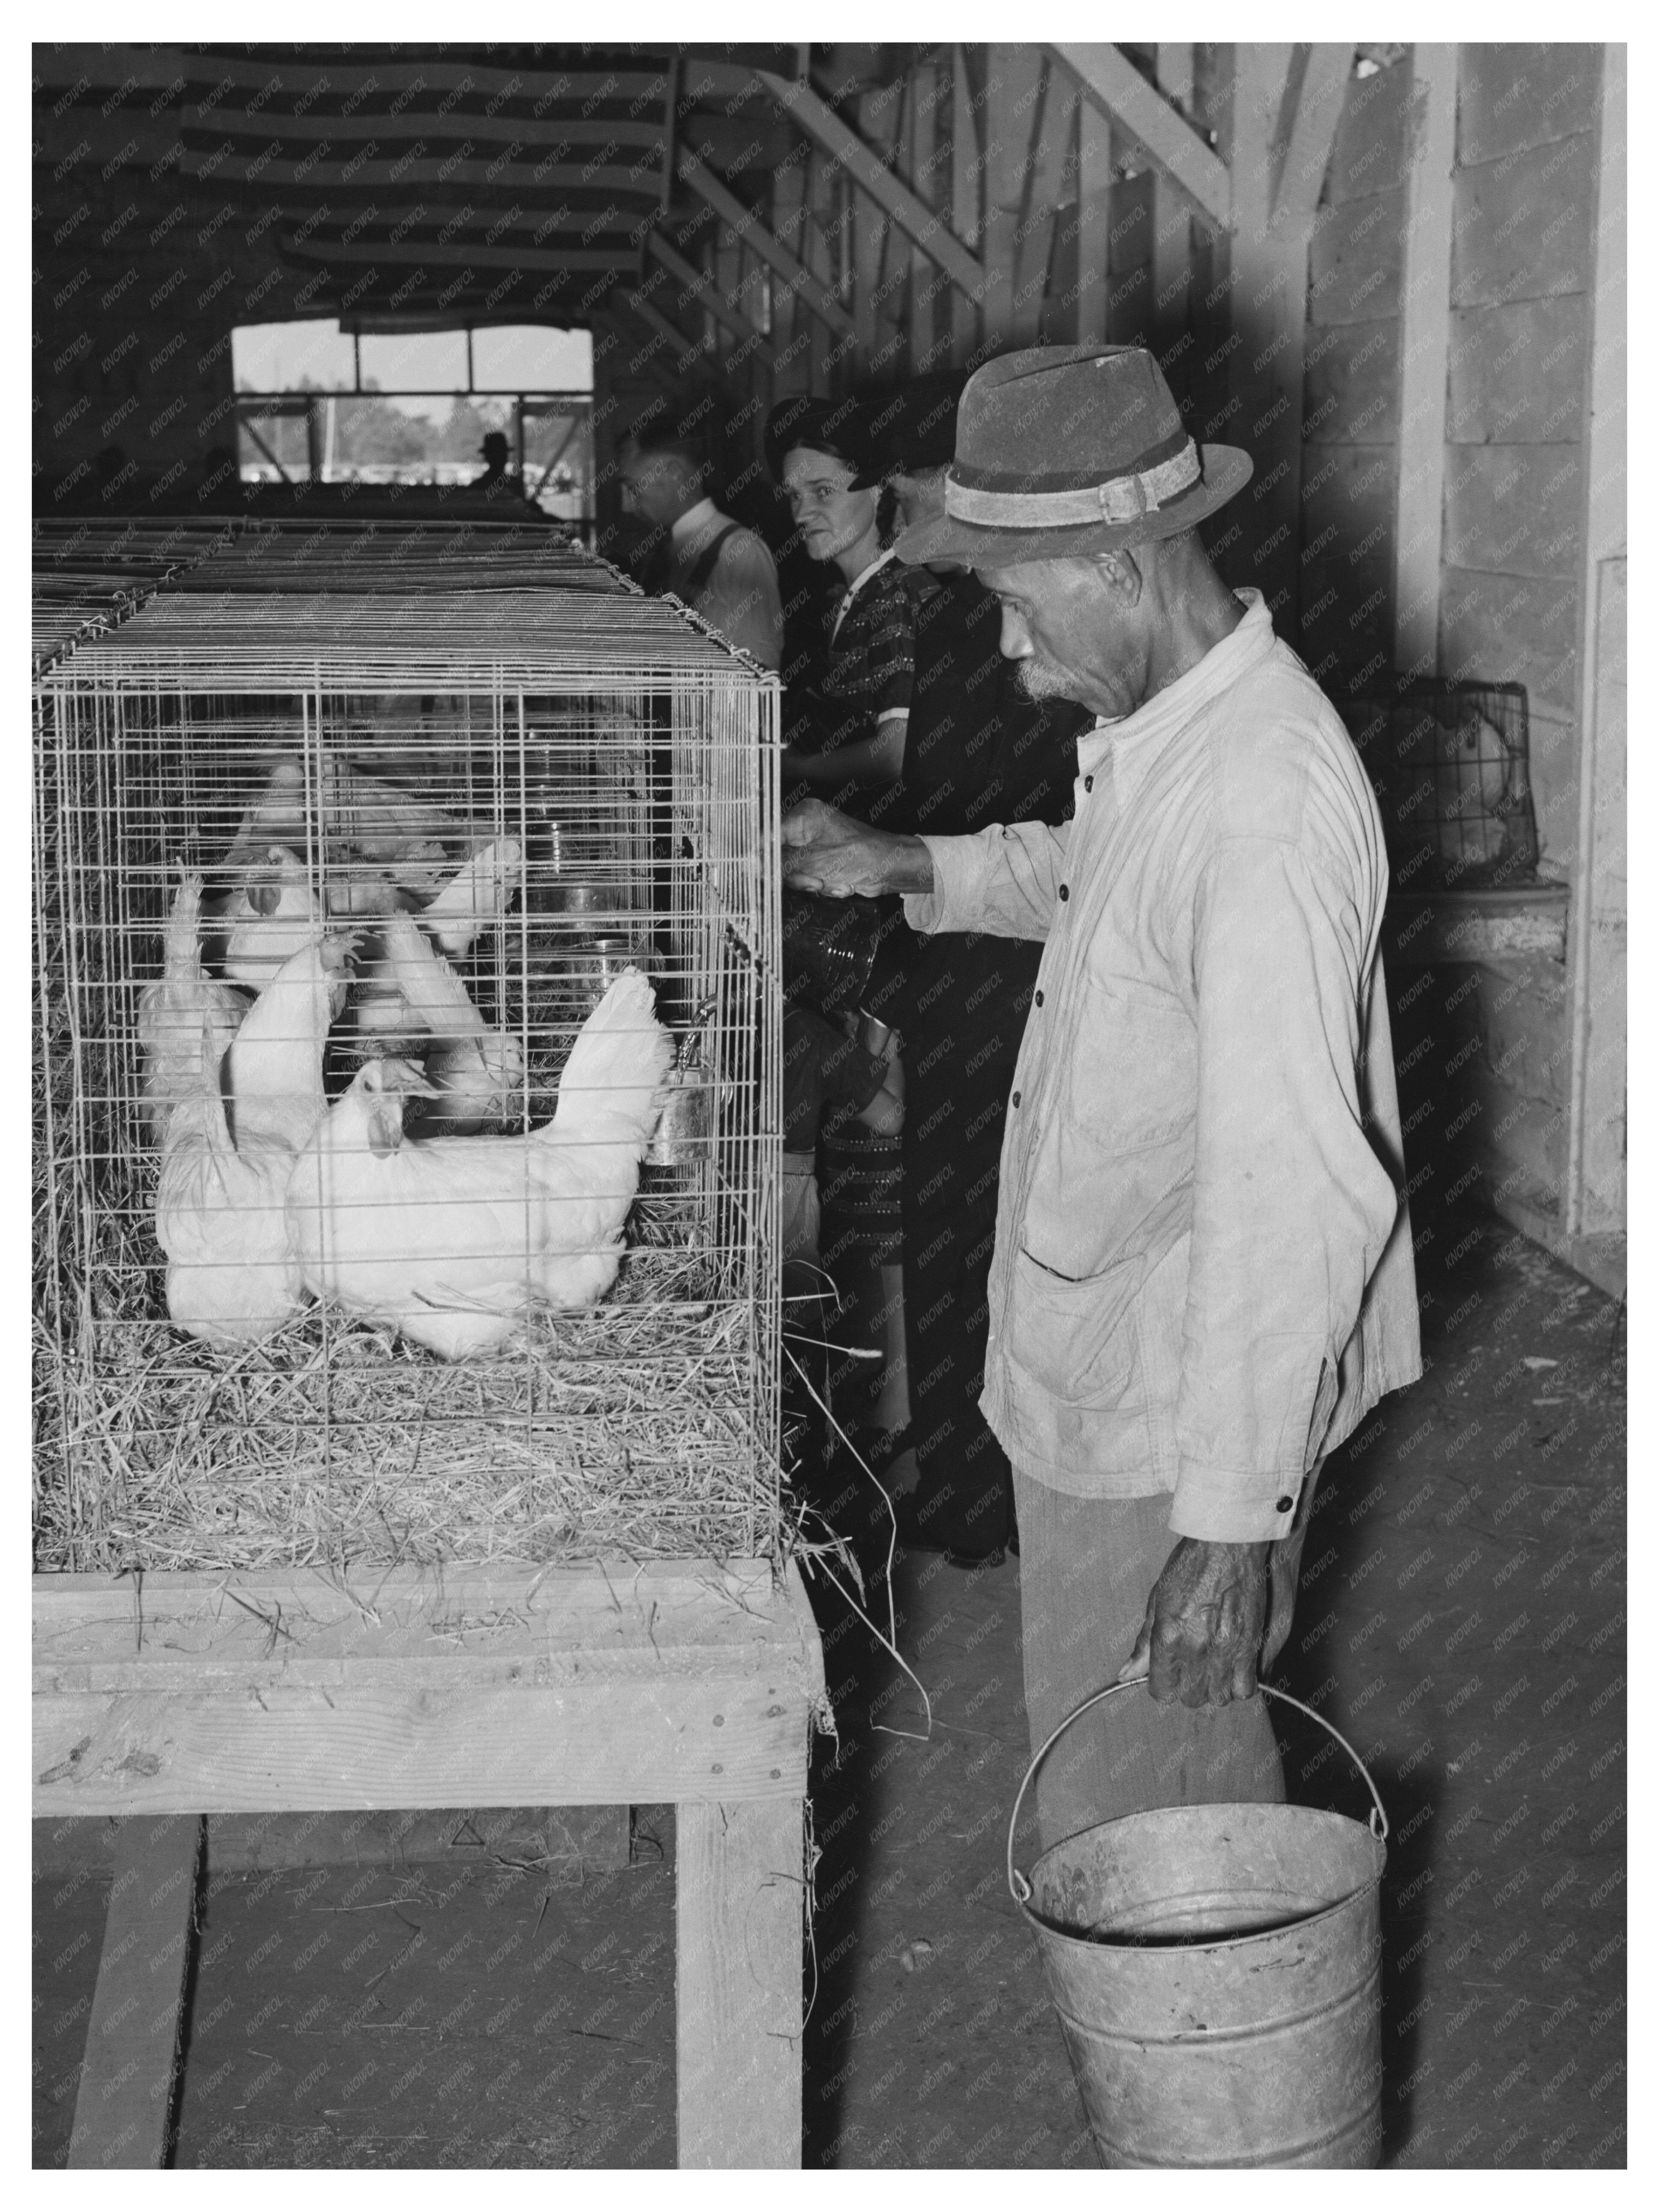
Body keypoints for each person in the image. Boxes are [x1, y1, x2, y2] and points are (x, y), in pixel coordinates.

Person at [782, 344, 1423, 1848]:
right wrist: (908, 865)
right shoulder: (1172, 734)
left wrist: (1222, 1530)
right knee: (1113, 1789)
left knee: (1143, 1818)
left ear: (1122, 565)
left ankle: (1207, 2067)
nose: (1004, 653)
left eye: (1017, 606)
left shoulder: (1258, 801)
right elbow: (1097, 887)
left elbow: (1289, 1191)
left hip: (1176, 1405)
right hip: (1113, 1359)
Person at [863, 377, 1090, 1568]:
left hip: (1015, 978)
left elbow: (966, 813)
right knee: (969, 1233)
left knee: (998, 1236)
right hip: (979, 970)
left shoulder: (984, 628)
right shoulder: (970, 621)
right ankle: (973, 1478)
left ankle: (993, 1481)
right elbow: (934, 810)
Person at [764, 395, 939, 1460]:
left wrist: (781, 771)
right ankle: (878, 1408)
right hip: (857, 892)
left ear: (884, 494)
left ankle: (898, 1415)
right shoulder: (847, 604)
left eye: (826, 492)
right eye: (796, 498)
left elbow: (895, 760)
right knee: (862, 1172)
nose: (808, 513)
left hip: (890, 903)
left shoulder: (893, 603)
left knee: (882, 1171)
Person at [618, 422, 784, 670]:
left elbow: (760, 673)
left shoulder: (738, 551)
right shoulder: (658, 554)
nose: (627, 506)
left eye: (634, 488)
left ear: (675, 473)